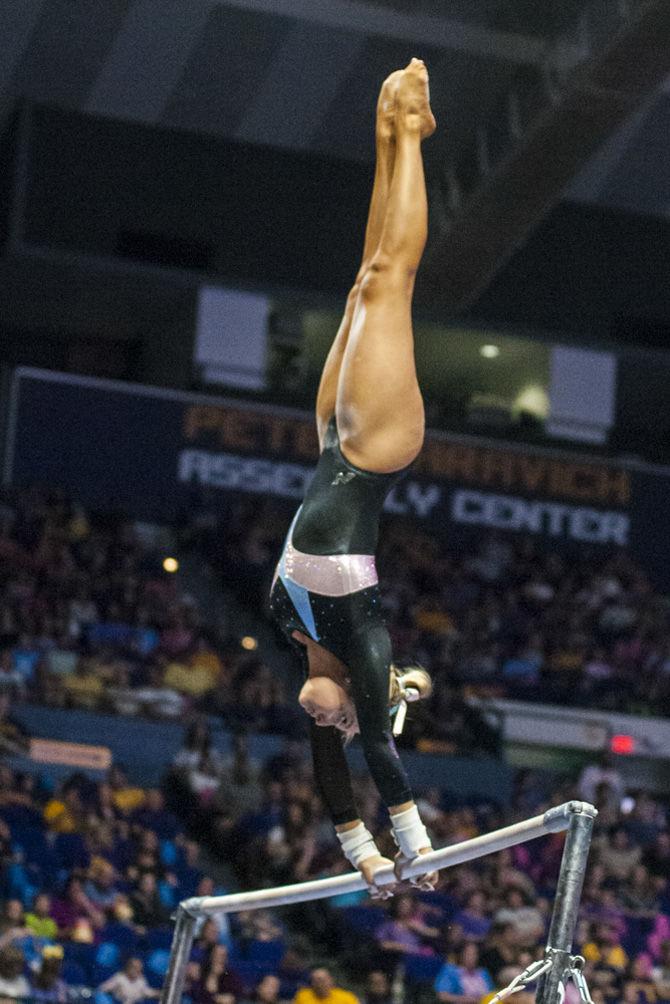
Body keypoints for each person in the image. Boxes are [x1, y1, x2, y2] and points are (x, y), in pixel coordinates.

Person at [269, 59, 437, 895]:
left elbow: (336, 789)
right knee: (389, 283)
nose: (327, 719)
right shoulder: (358, 643)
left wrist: (362, 856)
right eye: (337, 717)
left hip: (330, 443)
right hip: (374, 451)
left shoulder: (294, 630)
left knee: (358, 285)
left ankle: (387, 131)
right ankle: (409, 131)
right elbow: (376, 751)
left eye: (325, 720)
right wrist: (412, 846)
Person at [293, 968, 358, 1004]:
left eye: (322, 980)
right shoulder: (302, 996)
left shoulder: (346, 997)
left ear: (331, 981)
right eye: (315, 981)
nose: (319, 984)